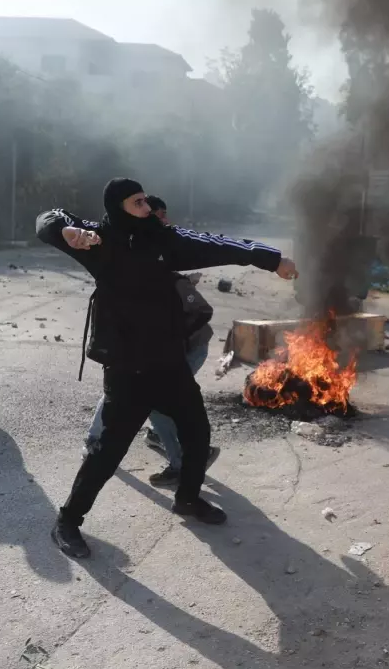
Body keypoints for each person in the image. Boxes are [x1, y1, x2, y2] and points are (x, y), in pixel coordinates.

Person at [36, 177, 298, 559]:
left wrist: (271, 258)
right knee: (108, 452)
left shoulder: (165, 241)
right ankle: (68, 521)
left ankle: (188, 498)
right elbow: (45, 219)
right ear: (118, 207)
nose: (148, 208)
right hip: (127, 369)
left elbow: (218, 245)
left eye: (146, 200)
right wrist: (66, 229)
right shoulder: (97, 241)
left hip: (169, 364)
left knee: (198, 434)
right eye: (138, 202)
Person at [82, 195, 221, 487]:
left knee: (155, 404)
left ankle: (184, 460)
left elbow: (201, 311)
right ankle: (98, 439)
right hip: (143, 350)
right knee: (120, 389)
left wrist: (174, 337)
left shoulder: (162, 250)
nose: (164, 220)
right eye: (157, 214)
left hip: (188, 348)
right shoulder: (131, 251)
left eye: (162, 215)